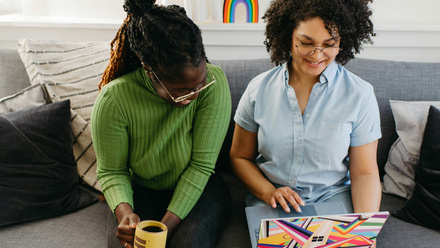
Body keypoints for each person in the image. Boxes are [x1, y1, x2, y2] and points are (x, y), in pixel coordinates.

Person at [91, 1, 231, 247]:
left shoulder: (215, 83)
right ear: (149, 71)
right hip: (143, 190)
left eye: (200, 84)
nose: (195, 94)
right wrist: (125, 215)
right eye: (182, 91)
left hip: (201, 187)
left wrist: (161, 229)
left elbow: (201, 166)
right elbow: (112, 171)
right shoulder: (114, 100)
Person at [230, 0, 382, 215]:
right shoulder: (258, 89)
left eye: (329, 45)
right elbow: (239, 157)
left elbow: (364, 173)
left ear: (343, 42)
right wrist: (268, 192)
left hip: (333, 197)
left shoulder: (360, 94)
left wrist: (367, 234)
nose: (317, 55)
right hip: (273, 198)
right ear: (288, 37)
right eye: (306, 42)